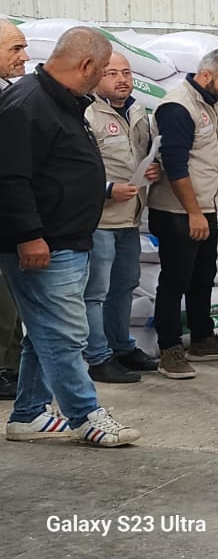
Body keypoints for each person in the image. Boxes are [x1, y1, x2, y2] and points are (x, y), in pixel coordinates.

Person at [0, 27, 141, 445]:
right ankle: (85, 414)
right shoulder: (27, 105)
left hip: (67, 239)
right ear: (86, 65)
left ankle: (28, 414)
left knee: (44, 332)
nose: (105, 77)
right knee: (66, 334)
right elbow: (10, 178)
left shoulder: (61, 102)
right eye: (103, 69)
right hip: (45, 243)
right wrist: (29, 235)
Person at [147, 48, 218, 379]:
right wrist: (193, 213)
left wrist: (213, 196)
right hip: (177, 212)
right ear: (206, 75)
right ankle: (169, 350)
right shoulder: (178, 107)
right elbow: (175, 165)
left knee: (203, 275)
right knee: (175, 280)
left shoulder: (210, 104)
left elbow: (204, 159)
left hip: (202, 206)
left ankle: (202, 338)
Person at [83, 52, 163, 383]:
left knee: (124, 285)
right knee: (95, 292)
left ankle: (121, 347)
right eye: (112, 73)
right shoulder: (87, 113)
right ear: (95, 77)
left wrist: (154, 169)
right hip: (100, 219)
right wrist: (106, 189)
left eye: (127, 73)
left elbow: (142, 154)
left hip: (130, 218)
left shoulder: (138, 111)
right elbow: (71, 169)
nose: (122, 80)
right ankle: (97, 357)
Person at [0, 20, 30, 400]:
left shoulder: (9, 93)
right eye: (15, 49)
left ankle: (12, 364)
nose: (25, 56)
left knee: (12, 296)